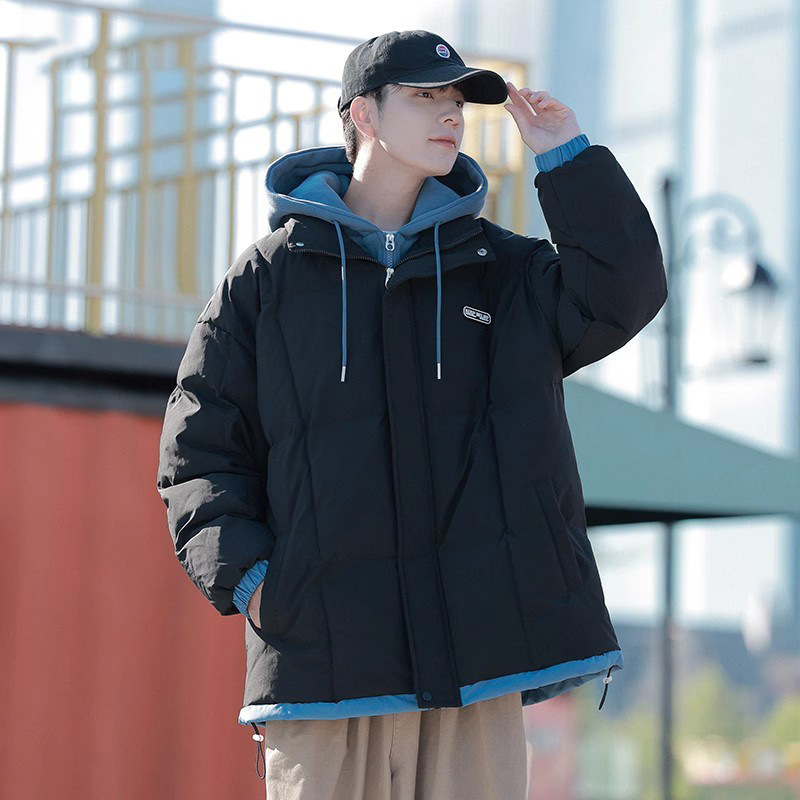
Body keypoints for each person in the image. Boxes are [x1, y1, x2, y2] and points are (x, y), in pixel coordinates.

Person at [156, 29, 668, 800]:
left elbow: (623, 294)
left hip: (479, 661)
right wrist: (260, 583)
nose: (450, 114)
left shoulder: (504, 272)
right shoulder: (265, 281)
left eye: (456, 99)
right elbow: (198, 456)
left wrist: (566, 156)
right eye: (426, 96)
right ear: (364, 114)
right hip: (323, 668)